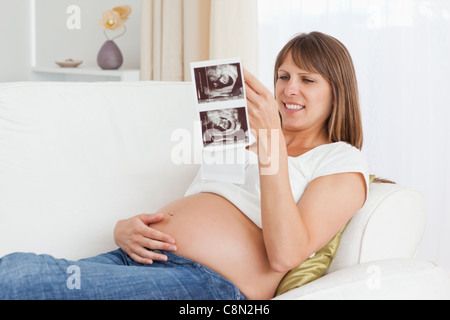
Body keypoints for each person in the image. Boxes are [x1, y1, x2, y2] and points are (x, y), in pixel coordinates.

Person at [0, 31, 369, 300]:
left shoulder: (340, 159)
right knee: (12, 274)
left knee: (18, 278)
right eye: (283, 77)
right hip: (139, 260)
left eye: (308, 80)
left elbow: (286, 255)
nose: (289, 90)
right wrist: (124, 230)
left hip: (208, 284)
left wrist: (271, 146)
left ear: (337, 90)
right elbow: (203, 201)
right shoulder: (239, 132)